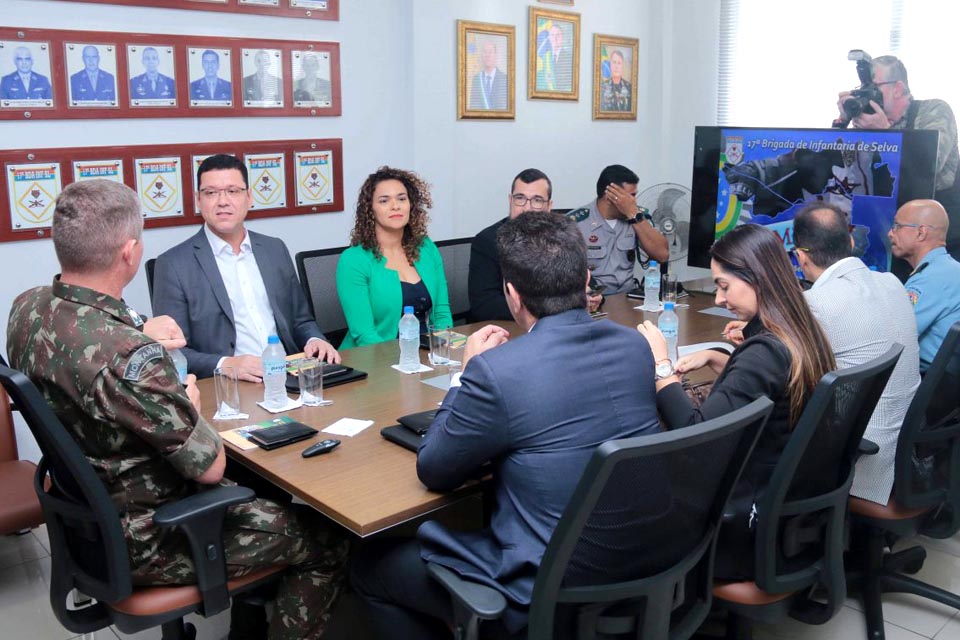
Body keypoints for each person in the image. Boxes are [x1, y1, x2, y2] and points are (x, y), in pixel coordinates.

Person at [6, 179, 348, 639]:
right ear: (130, 253)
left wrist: (143, 327)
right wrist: (189, 404)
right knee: (328, 538)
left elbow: (86, 338)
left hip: (88, 516)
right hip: (154, 533)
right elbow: (209, 466)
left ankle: (249, 614)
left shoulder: (28, 308)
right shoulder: (133, 359)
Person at [351, 211, 661, 639]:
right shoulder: (635, 346)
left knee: (368, 566)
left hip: (542, 585)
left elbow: (435, 470)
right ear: (587, 279)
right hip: (641, 558)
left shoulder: (499, 371)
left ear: (512, 295)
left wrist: (465, 375)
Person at [637, 223, 835, 581]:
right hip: (781, 509)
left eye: (723, 286)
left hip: (740, 524)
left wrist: (661, 368)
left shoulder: (763, 353)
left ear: (756, 277)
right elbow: (780, 386)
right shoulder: (800, 329)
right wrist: (722, 358)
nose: (718, 299)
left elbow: (695, 436)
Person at [152, 154, 340, 381]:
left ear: (249, 197)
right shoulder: (173, 265)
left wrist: (315, 340)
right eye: (211, 193)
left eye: (233, 191)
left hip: (290, 374)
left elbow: (302, 320)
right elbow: (172, 351)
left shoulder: (274, 249)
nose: (222, 201)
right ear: (198, 200)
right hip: (227, 386)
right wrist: (227, 364)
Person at [793, 203, 919, 505]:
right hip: (906, 451)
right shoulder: (893, 283)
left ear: (800, 256)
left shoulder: (815, 303)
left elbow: (787, 376)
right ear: (850, 243)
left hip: (860, 460)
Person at [836, 55, 960, 260]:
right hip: (885, 232)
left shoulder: (933, 110)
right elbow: (843, 169)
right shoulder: (866, 123)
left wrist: (885, 133)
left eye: (874, 87)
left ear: (898, 88)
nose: (869, 95)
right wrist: (844, 122)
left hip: (935, 238)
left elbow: (929, 166)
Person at [335, 166, 452, 348]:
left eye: (402, 198)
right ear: (370, 209)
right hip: (373, 358)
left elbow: (442, 313)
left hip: (425, 353)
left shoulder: (426, 248)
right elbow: (364, 334)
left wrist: (443, 352)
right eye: (384, 201)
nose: (395, 206)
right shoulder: (353, 260)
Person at [566, 164, 669, 294]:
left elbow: (663, 255)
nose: (634, 202)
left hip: (628, 298)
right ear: (610, 197)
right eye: (630, 196)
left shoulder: (637, 218)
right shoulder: (575, 223)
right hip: (594, 300)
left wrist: (634, 216)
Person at [468, 168, 553, 321]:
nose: (527, 208)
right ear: (510, 200)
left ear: (549, 206)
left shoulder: (559, 238)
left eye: (537, 200)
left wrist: (590, 295)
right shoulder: (487, 241)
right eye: (520, 198)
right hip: (503, 330)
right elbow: (484, 305)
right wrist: (547, 307)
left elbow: (584, 282)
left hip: (549, 327)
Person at [888, 199, 960, 372]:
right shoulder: (950, 270)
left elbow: (893, 337)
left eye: (897, 226)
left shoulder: (930, 279)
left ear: (921, 233)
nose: (891, 233)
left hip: (931, 386)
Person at [468, 40, 507, 110]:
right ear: (481, 56)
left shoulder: (505, 79)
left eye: (490, 52)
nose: (487, 55)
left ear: (496, 55)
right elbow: (473, 107)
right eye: (485, 52)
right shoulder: (476, 79)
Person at [537, 23, 572, 92]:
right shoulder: (545, 57)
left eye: (558, 35)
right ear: (549, 38)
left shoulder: (569, 58)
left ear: (562, 37)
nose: (555, 38)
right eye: (552, 35)